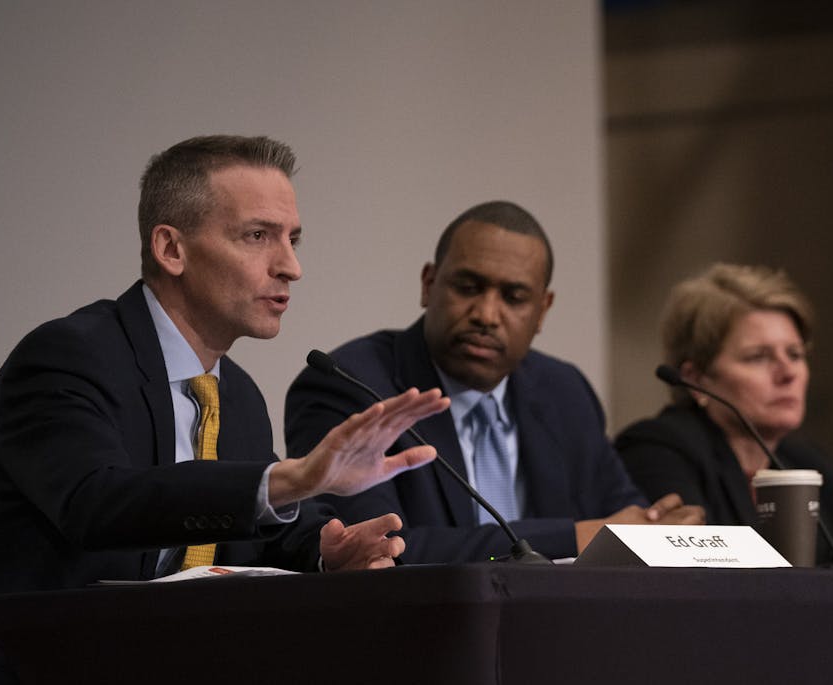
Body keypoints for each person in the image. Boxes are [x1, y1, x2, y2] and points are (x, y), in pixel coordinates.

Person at [0, 135, 449, 685]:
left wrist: (324, 551)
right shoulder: (67, 359)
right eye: (257, 236)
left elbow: (238, 535)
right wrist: (290, 477)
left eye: (293, 239)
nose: (291, 266)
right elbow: (95, 502)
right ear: (171, 247)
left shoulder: (233, 396)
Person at [285, 200, 703, 563]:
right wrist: (572, 538)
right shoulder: (353, 386)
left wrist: (661, 528)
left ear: (543, 310)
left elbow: (622, 514)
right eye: (469, 287)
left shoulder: (564, 391)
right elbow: (374, 549)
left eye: (514, 298)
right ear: (429, 285)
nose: (487, 314)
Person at [614, 263, 833, 567]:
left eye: (795, 354)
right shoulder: (659, 448)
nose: (789, 373)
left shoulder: (800, 460)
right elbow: (718, 557)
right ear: (695, 379)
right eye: (758, 356)